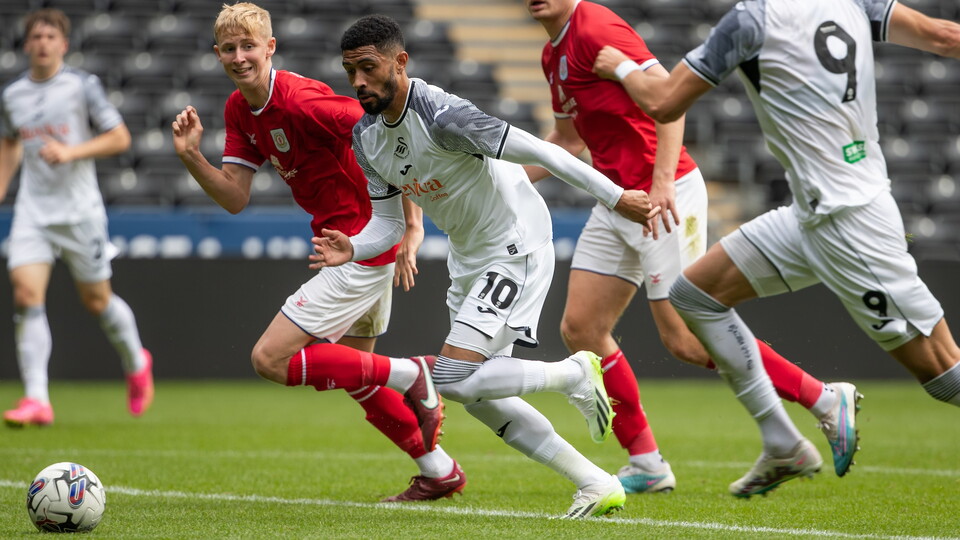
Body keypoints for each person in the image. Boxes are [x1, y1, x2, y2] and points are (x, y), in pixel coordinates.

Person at [592, 0, 960, 497]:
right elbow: (944, 36)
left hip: (851, 226)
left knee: (942, 372)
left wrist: (623, 66)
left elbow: (661, 102)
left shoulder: (751, 20)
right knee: (694, 295)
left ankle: (819, 412)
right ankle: (781, 440)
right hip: (812, 215)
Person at [301, 14, 664, 518]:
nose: (359, 82)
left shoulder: (444, 116)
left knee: (450, 378)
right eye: (350, 72)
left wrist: (616, 195)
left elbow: (543, 151)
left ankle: (572, 374)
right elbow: (388, 225)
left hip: (516, 242)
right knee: (479, 395)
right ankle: (595, 482)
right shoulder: (367, 140)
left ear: (400, 62)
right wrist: (354, 249)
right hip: (469, 257)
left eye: (369, 67)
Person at [525, 0, 863, 492]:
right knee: (581, 328)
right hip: (618, 198)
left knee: (683, 339)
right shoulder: (549, 53)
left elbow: (668, 98)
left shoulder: (594, 25)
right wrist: (507, 180)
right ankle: (646, 462)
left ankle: (824, 398)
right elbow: (568, 138)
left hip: (665, 195)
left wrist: (662, 181)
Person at [170, 2, 464, 503]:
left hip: (358, 244)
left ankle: (414, 372)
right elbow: (236, 198)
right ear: (217, 53)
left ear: (270, 47)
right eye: (229, 49)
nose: (239, 57)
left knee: (270, 359)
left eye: (249, 46)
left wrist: (412, 224)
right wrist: (192, 156)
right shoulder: (240, 110)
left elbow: (391, 131)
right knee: (356, 376)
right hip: (346, 245)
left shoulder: (306, 103)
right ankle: (438, 470)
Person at [0, 8, 154, 427]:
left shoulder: (81, 87)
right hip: (33, 210)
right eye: (36, 36)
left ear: (63, 45)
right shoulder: (12, 95)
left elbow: (120, 137)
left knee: (97, 301)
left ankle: (136, 360)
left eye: (51, 36)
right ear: (27, 44)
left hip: (79, 210)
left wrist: (70, 151)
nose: (43, 43)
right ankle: (37, 400)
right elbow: (10, 143)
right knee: (25, 295)